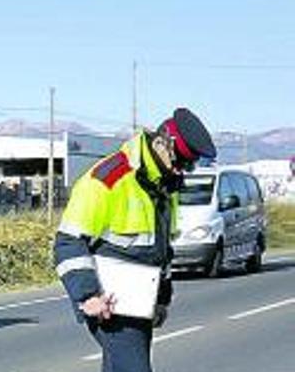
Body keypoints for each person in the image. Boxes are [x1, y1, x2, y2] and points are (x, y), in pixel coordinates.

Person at [53, 108, 216, 372]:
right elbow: (67, 242)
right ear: (163, 142)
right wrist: (88, 295)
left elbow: (161, 250)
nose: (181, 170)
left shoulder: (164, 185)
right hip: (109, 302)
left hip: (141, 301)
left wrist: (162, 298)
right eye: (180, 161)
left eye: (188, 165)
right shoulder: (108, 179)